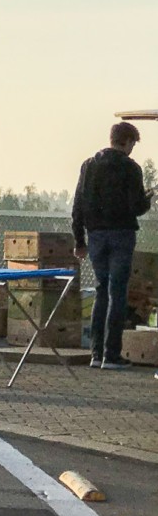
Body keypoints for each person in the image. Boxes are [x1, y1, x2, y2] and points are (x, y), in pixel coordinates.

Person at [72, 121, 152, 370]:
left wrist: (79, 241)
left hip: (95, 235)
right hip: (121, 235)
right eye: (132, 144)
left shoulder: (89, 165)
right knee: (117, 293)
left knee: (101, 290)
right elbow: (136, 206)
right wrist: (148, 199)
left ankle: (96, 353)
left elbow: (78, 205)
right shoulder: (131, 168)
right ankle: (112, 354)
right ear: (127, 141)